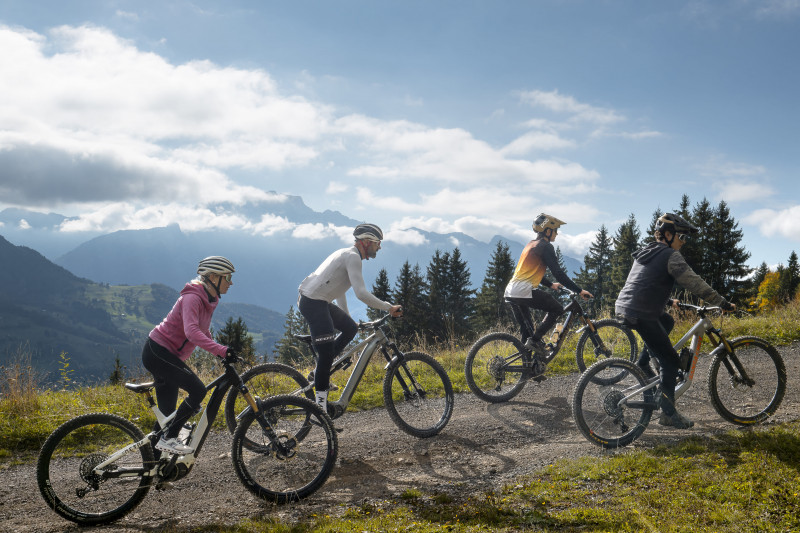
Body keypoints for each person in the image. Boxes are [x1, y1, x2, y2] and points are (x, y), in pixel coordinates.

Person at [615, 213, 736, 429]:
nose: (684, 242)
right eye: (682, 237)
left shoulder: (646, 252)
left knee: (667, 321)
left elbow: (643, 283)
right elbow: (694, 283)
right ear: (668, 235)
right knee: (670, 362)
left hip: (627, 307)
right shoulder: (670, 255)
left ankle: (643, 363)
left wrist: (670, 301)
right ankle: (668, 414)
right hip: (643, 312)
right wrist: (721, 302)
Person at [298, 223, 403, 413]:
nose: (379, 247)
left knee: (351, 328)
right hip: (314, 303)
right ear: (366, 242)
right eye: (377, 243)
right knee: (326, 355)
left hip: (316, 300)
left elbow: (338, 289)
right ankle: (319, 410)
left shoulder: (347, 254)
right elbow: (361, 294)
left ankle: (318, 373)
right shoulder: (353, 257)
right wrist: (389, 307)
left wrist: (346, 317)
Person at [142, 256, 238, 455]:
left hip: (167, 355)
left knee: (167, 416)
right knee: (198, 391)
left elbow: (202, 330)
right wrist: (221, 350)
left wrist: (218, 352)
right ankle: (169, 438)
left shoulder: (210, 299)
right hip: (158, 352)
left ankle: (152, 466)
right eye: (227, 277)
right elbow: (192, 332)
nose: (231, 282)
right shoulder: (192, 298)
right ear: (213, 277)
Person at [504, 214, 593, 376]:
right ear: (547, 231)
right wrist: (579, 290)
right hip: (523, 291)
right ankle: (535, 341)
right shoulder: (546, 247)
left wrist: (551, 285)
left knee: (527, 332)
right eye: (555, 230)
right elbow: (558, 273)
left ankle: (529, 369)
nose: (557, 234)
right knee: (557, 309)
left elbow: (531, 272)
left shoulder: (531, 244)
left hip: (511, 291)